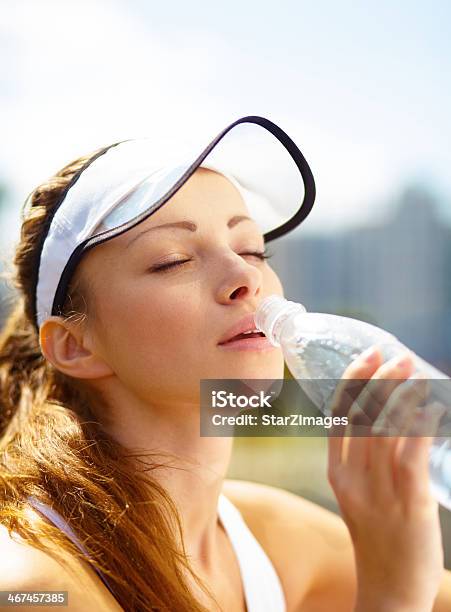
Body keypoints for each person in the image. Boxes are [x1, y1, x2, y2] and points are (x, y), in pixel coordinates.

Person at [0, 116, 450, 612]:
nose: (245, 278)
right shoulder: (34, 585)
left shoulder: (268, 536)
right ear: (75, 346)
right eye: (172, 260)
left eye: (253, 249)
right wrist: (394, 592)